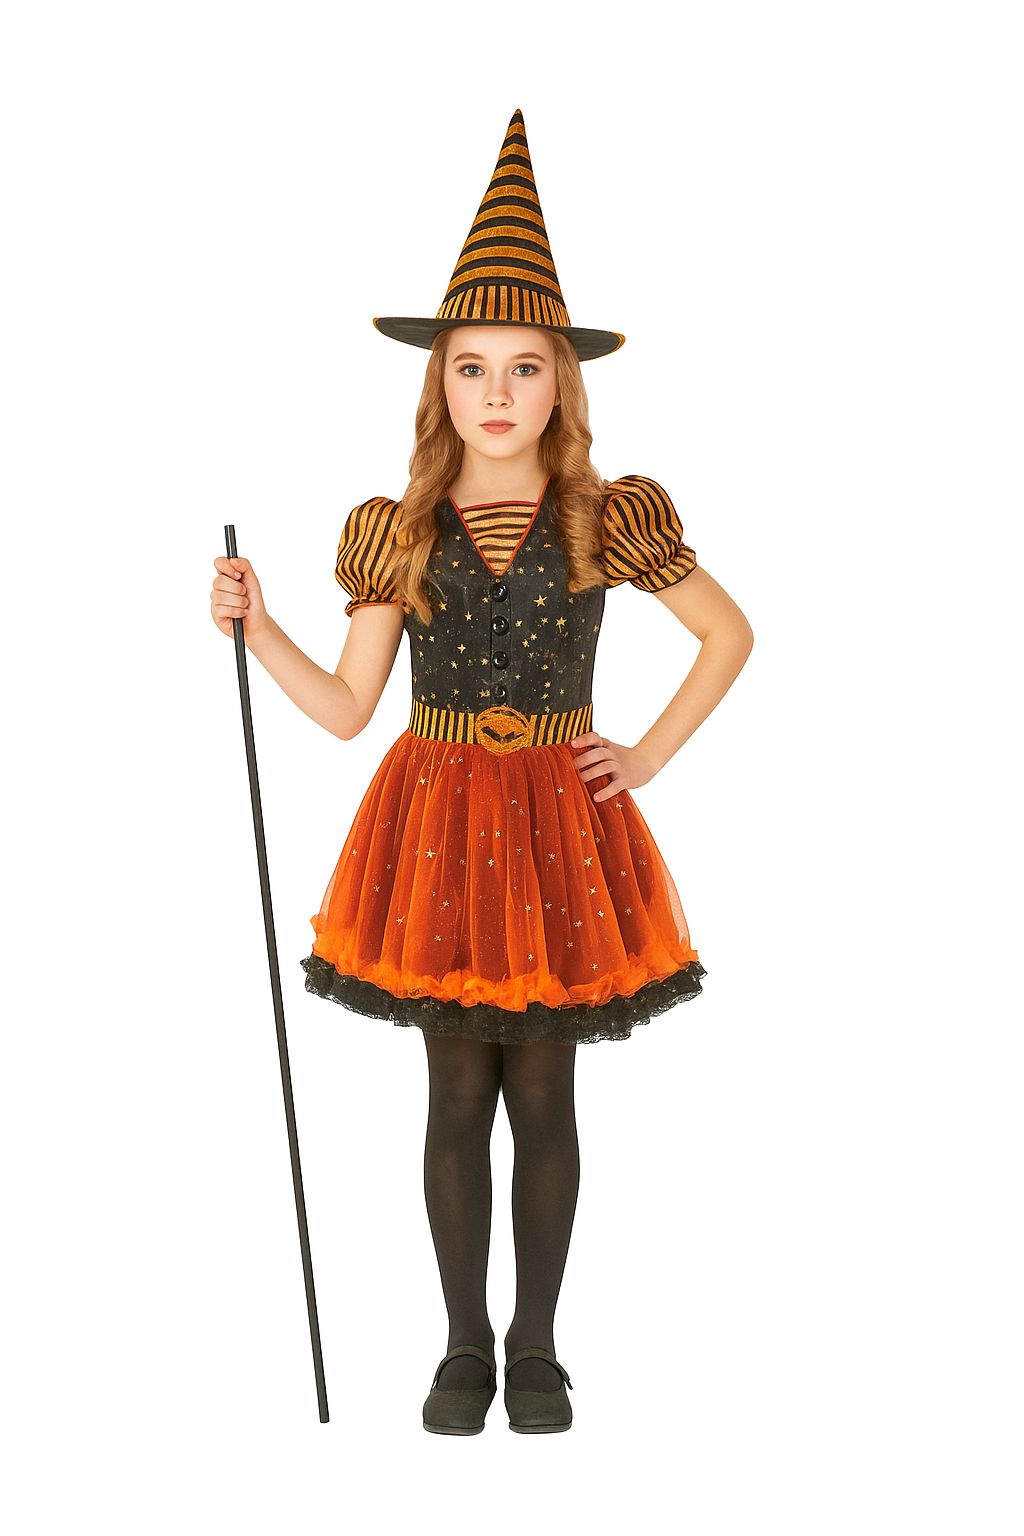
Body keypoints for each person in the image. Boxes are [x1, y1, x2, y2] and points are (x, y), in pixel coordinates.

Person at [209, 109, 753, 1435]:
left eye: (524, 368)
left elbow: (729, 634)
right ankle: (462, 1347)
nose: (497, 393)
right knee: (457, 1093)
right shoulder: (399, 532)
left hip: (564, 820)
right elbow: (350, 709)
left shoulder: (604, 518)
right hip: (440, 825)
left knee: (546, 1095)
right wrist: (259, 626)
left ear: (563, 385)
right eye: (471, 368)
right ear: (437, 385)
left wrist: (646, 753)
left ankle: (538, 1350)